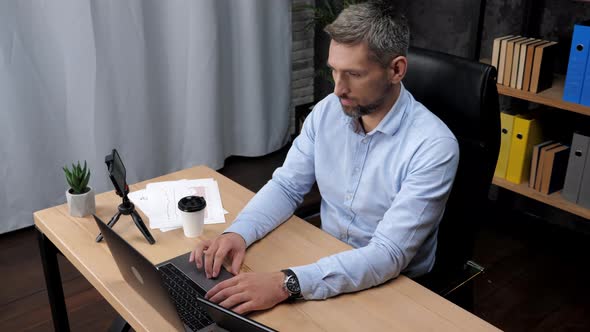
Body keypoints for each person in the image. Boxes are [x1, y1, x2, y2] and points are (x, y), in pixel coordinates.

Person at [189, 1, 459, 315]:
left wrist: (285, 283)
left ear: (396, 70)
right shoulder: (328, 111)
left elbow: (387, 254)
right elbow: (287, 187)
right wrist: (239, 232)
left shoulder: (434, 146)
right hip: (323, 259)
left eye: (354, 74)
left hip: (395, 285)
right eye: (334, 70)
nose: (338, 88)